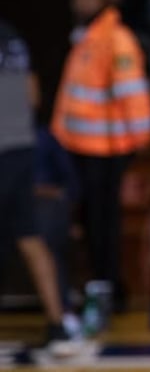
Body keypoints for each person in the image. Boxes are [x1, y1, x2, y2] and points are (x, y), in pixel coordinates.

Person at [50, 0, 150, 314]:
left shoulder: (116, 38)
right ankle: (100, 287)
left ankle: (111, 292)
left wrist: (139, 141)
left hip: (107, 150)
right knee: (90, 224)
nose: (79, 1)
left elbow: (132, 94)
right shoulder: (87, 38)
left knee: (104, 225)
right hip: (79, 148)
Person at [0, 19, 74, 347]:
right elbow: (32, 95)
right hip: (21, 147)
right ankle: (57, 323)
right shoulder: (13, 37)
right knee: (29, 236)